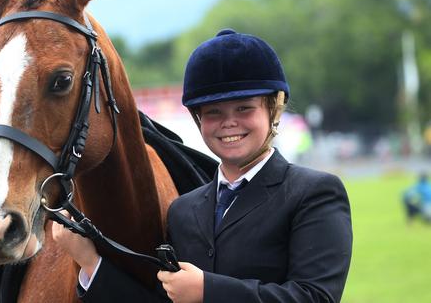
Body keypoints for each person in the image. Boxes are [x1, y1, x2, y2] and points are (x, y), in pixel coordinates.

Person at [52, 29, 353, 302]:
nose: (229, 122)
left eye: (244, 108)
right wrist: (92, 264)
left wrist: (208, 290)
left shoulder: (314, 193)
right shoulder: (183, 210)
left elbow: (315, 297)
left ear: (273, 108)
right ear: (198, 120)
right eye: (213, 112)